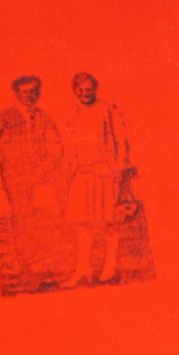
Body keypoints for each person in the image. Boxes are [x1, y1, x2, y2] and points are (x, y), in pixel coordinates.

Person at [0, 76, 63, 274]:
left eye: (33, 91)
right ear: (17, 93)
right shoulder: (4, 117)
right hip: (15, 177)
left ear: (39, 92)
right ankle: (23, 260)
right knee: (21, 216)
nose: (29, 96)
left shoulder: (45, 118)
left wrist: (42, 170)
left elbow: (56, 147)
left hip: (41, 175)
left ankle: (45, 258)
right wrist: (5, 162)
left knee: (44, 216)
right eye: (25, 92)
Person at [62, 72, 132, 287]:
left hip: (106, 173)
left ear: (95, 89)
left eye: (89, 89)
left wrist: (118, 169)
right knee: (83, 224)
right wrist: (69, 172)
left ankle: (109, 266)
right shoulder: (71, 113)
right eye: (81, 89)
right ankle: (83, 269)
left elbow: (121, 140)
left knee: (110, 221)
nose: (85, 93)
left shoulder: (108, 109)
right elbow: (69, 145)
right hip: (83, 174)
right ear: (75, 91)